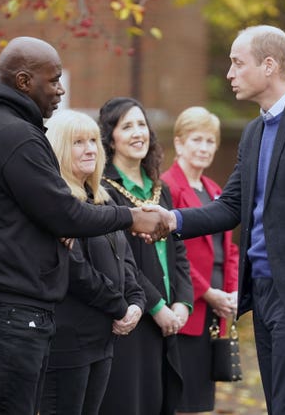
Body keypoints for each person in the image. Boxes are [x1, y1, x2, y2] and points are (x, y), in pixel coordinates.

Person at [0, 36, 169, 415]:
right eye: (52, 80)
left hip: (0, 304)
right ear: (23, 81)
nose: (60, 89)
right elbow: (64, 213)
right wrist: (132, 216)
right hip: (7, 307)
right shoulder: (15, 135)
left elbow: (48, 212)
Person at [159, 25, 285, 414]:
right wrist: (171, 219)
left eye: (236, 63)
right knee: (277, 405)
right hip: (260, 290)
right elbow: (230, 207)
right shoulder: (253, 132)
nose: (229, 74)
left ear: (269, 65)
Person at [38, 110, 146, 414]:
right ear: (59, 148)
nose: (90, 149)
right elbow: (76, 271)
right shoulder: (57, 204)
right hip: (69, 342)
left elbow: (125, 259)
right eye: (78, 142)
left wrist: (136, 301)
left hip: (103, 341)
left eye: (94, 141)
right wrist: (120, 308)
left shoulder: (104, 198)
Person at [97, 97, 194, 415]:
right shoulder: (104, 192)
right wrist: (156, 307)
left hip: (169, 317)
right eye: (127, 126)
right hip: (134, 316)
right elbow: (121, 261)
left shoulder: (159, 189)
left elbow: (178, 249)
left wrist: (182, 301)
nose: (138, 133)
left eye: (141, 124)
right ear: (110, 137)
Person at [160, 106, 239, 415]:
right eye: (197, 140)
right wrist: (208, 292)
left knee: (203, 402)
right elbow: (171, 253)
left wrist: (232, 293)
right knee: (182, 400)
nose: (204, 148)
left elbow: (229, 250)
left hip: (216, 312)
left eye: (210, 141)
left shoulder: (216, 191)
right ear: (179, 143)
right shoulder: (167, 187)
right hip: (187, 306)